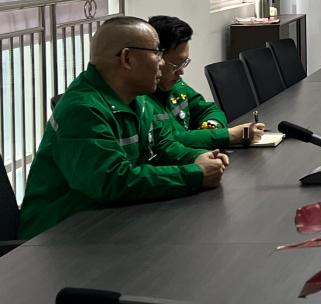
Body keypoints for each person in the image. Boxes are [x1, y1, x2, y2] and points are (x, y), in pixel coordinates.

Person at [17, 17, 229, 239]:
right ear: (127, 58)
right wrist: (194, 174)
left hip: (109, 221)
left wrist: (198, 157)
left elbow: (164, 145)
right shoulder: (83, 109)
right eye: (156, 53)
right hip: (55, 236)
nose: (162, 62)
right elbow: (112, 180)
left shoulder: (139, 99)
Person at [148, 15, 264, 148]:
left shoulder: (176, 85)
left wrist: (209, 130)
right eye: (176, 64)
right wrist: (228, 135)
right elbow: (167, 141)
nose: (181, 72)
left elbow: (209, 110)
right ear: (156, 59)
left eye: (184, 63)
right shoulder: (142, 98)